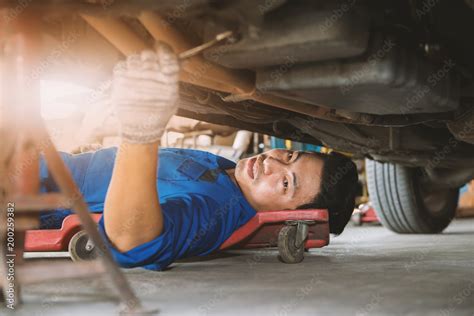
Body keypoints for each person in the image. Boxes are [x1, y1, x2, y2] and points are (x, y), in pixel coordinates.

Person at [39, 44, 358, 271]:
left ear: (291, 216)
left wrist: (140, 132)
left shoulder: (218, 211)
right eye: (287, 155)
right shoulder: (227, 169)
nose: (272, 164)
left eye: (286, 183)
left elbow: (132, 244)